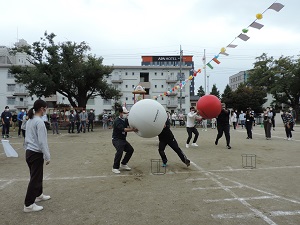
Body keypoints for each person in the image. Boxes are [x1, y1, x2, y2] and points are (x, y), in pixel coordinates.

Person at [23, 99, 51, 213]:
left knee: (36, 176)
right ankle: (28, 204)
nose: (46, 110)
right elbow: (42, 141)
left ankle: (39, 195)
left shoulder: (30, 119)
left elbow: (26, 134)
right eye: (46, 108)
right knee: (35, 178)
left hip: (29, 152)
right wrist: (47, 156)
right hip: (35, 153)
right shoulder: (39, 122)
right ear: (42, 109)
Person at [112, 107, 138, 174]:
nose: (126, 114)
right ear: (120, 113)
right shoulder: (117, 120)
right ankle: (115, 167)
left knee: (130, 150)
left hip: (123, 139)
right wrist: (133, 129)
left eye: (126, 113)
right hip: (116, 139)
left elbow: (130, 125)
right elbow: (124, 129)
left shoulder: (125, 120)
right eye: (124, 113)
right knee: (120, 151)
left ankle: (123, 164)